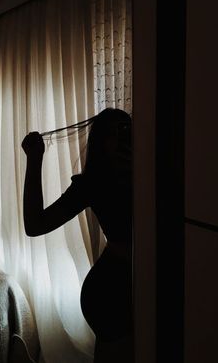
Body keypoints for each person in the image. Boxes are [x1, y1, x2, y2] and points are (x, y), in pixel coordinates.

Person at [21, 108, 133, 363]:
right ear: (101, 142)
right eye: (115, 134)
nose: (124, 139)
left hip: (125, 287)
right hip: (110, 292)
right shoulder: (94, 182)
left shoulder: (149, 176)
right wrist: (34, 160)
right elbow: (35, 225)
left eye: (127, 131)